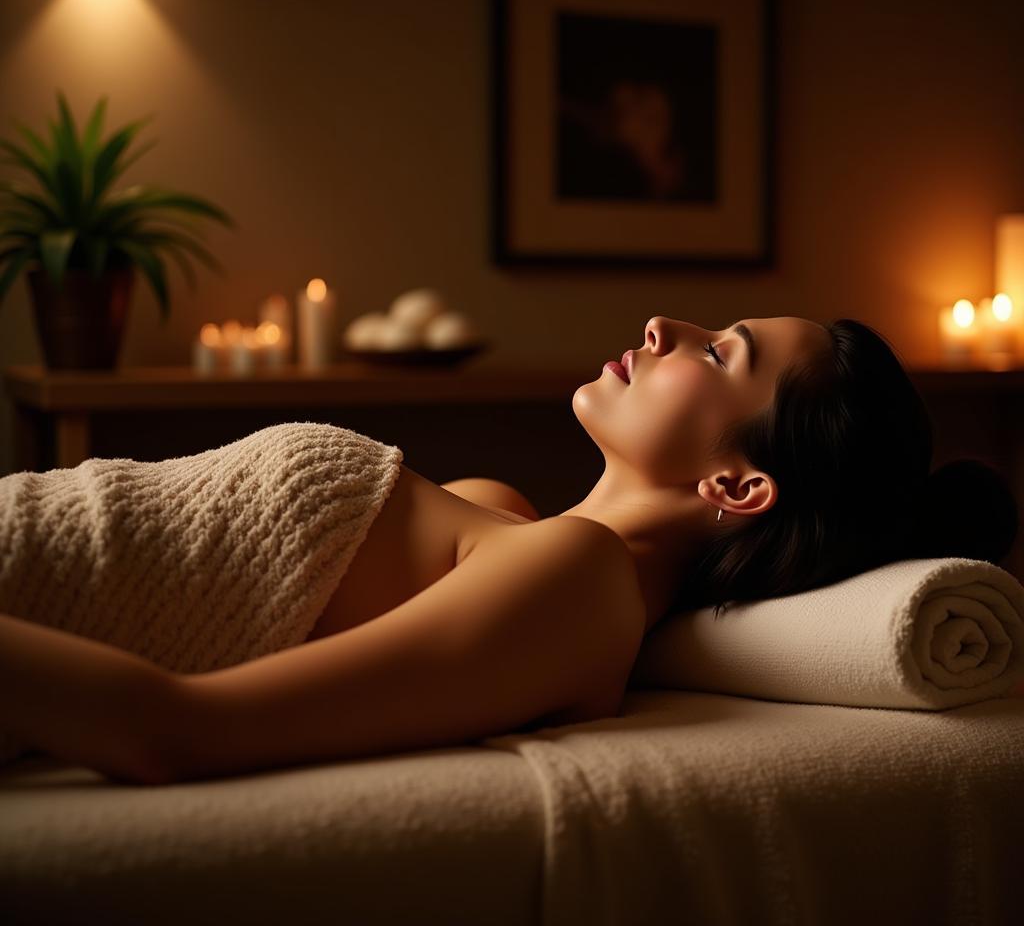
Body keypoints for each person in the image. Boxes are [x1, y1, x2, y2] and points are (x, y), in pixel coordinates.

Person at [0, 315, 1017, 786]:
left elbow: (174, 732)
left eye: (718, 352)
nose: (665, 323)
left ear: (738, 488)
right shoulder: (502, 519)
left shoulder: (577, 580)